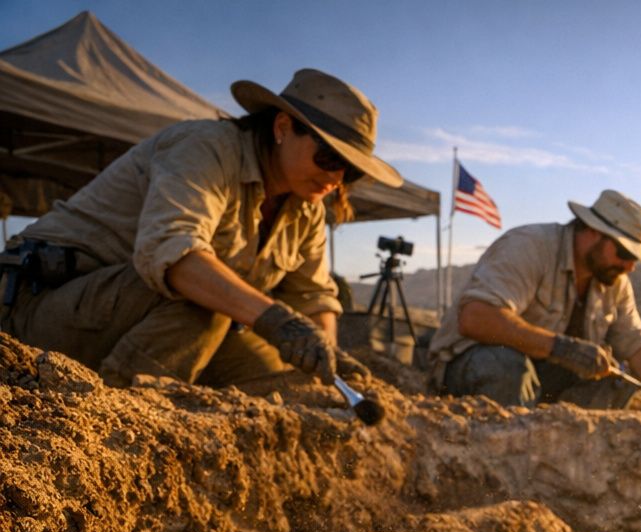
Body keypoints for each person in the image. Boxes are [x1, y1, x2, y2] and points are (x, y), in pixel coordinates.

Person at [0, 69, 401, 388]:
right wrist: (280, 322)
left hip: (157, 326)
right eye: (330, 157)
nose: (336, 177)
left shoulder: (307, 209)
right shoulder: (205, 149)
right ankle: (119, 423)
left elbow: (313, 298)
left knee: (287, 382)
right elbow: (174, 257)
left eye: (350, 171)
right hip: (38, 311)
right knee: (208, 302)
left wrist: (323, 356)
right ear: (282, 128)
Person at [428, 189, 641, 418]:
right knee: (507, 367)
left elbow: (636, 341)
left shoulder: (615, 281)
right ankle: (504, 463)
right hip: (471, 369)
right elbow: (476, 317)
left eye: (635, 258)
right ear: (592, 231)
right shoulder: (529, 247)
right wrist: (562, 348)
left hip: (540, 377)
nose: (630, 266)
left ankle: (568, 461)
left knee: (614, 382)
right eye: (624, 252)